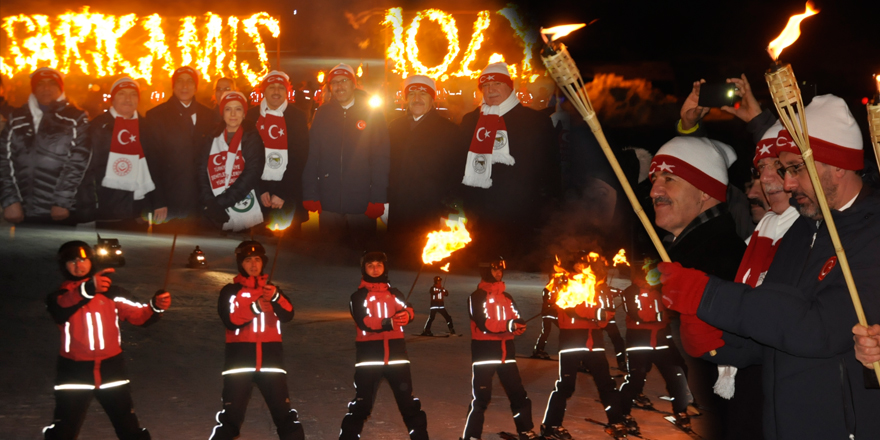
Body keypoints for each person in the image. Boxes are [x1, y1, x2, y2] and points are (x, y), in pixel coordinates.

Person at [659, 95, 880, 439]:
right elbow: (771, 333)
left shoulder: (872, 233)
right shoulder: (802, 230)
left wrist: (709, 295)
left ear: (837, 164)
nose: (788, 185)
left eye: (796, 169)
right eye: (783, 170)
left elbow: (818, 328)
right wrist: (718, 339)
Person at [649, 136, 746, 437]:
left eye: (669, 179)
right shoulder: (684, 252)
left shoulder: (719, 258)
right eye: (654, 179)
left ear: (705, 191)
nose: (655, 191)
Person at [43, 241, 171, 439]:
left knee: (128, 427)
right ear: (64, 266)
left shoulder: (112, 293)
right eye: (72, 261)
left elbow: (139, 315)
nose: (79, 265)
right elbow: (61, 310)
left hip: (111, 369)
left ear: (91, 261)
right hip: (74, 372)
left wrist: (155, 306)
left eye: (83, 260)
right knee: (64, 429)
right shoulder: (60, 296)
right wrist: (87, 289)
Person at [458, 62, 559, 265]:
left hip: (522, 215)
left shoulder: (535, 121)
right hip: (480, 216)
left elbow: (550, 169)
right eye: (485, 86)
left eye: (497, 83)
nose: (491, 89)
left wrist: (549, 209)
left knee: (518, 276)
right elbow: (458, 162)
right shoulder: (470, 121)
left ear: (510, 87)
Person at [209, 241, 304, 440]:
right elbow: (230, 320)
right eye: (248, 260)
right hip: (239, 364)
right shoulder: (230, 291)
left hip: (271, 364)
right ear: (240, 264)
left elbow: (288, 315)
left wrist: (276, 297)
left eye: (258, 260)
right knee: (230, 421)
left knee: (285, 418)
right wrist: (256, 307)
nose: (254, 264)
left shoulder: (273, 291)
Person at [340, 251, 428, 440]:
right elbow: (364, 321)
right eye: (370, 265)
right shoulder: (358, 296)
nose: (374, 269)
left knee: (409, 405)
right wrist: (388, 322)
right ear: (364, 269)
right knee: (362, 405)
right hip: (369, 360)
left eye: (378, 265)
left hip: (397, 359)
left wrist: (408, 315)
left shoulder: (394, 293)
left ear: (384, 267)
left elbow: (407, 307)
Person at [302, 64, 390, 247]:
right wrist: (310, 192)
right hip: (329, 202)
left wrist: (377, 198)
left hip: (362, 203)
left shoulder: (372, 114)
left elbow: (381, 158)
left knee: (363, 255)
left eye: (344, 81)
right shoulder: (322, 114)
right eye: (334, 82)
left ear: (353, 84)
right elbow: (311, 155)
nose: (339, 86)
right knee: (330, 256)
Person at [540, 256, 627, 439]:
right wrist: (593, 313)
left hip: (594, 342)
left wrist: (600, 316)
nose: (582, 268)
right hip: (571, 340)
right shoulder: (565, 285)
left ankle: (616, 420)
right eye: (579, 265)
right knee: (566, 386)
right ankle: (551, 425)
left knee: (606, 384)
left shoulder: (594, 286)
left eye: (585, 265)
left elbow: (607, 313)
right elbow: (567, 307)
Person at [461, 257, 540, 440]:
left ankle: (525, 430)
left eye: (500, 270)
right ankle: (471, 436)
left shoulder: (507, 297)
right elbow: (483, 323)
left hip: (507, 354)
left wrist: (518, 326)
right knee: (481, 398)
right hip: (485, 354)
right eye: (494, 269)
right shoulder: (476, 296)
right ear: (486, 271)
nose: (498, 273)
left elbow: (515, 317)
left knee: (518, 394)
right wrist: (509, 324)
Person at [0, 67, 91, 225]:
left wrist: (62, 202)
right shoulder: (17, 118)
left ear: (60, 88)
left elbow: (78, 162)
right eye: (40, 84)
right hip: (22, 211)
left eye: (52, 84)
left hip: (62, 212)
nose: (46, 88)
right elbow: (3, 160)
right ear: (34, 88)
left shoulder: (75, 118)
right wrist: (9, 201)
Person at [387, 75, 461, 259]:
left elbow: (456, 171)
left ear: (432, 98)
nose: (417, 98)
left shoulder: (449, 130)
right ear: (405, 99)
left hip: (431, 207)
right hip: (399, 206)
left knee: (425, 260)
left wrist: (448, 205)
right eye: (412, 93)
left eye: (423, 93)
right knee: (398, 256)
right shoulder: (394, 127)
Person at [617, 259, 691, 436]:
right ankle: (622, 412)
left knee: (678, 372)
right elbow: (637, 315)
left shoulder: (663, 289)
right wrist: (662, 315)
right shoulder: (631, 291)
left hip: (661, 340)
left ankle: (680, 409)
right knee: (636, 378)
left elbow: (675, 310)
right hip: (639, 341)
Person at [143, 66, 219, 232]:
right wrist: (158, 201)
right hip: (168, 204)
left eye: (190, 81)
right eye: (180, 81)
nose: (185, 86)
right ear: (173, 85)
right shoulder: (156, 116)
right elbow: (152, 162)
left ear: (196, 87)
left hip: (201, 203)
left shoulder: (209, 116)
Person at [86, 78, 163, 230]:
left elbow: (155, 167)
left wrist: (158, 202)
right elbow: (87, 169)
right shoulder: (97, 127)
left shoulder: (147, 128)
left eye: (133, 94)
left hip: (138, 211)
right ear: (112, 98)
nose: (128, 99)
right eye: (122, 93)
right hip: (105, 208)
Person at [244, 71, 310, 231]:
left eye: (281, 87)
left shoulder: (297, 117)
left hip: (288, 193)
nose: (276, 91)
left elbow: (299, 157)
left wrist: (282, 192)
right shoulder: (250, 116)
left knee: (289, 248)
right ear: (263, 91)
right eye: (271, 87)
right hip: (257, 193)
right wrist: (261, 189)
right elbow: (247, 156)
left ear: (287, 91)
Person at [198, 91, 265, 231]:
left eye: (238, 109)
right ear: (222, 113)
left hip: (245, 207)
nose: (233, 114)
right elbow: (202, 171)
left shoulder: (252, 137)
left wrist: (221, 203)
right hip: (213, 211)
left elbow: (252, 172)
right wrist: (210, 202)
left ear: (244, 114)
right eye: (228, 109)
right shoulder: (212, 138)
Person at [530, 283, 557, 360]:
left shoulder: (558, 288)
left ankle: (539, 349)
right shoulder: (548, 289)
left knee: (563, 330)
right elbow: (546, 301)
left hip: (555, 314)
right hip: (548, 314)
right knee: (546, 331)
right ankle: (539, 349)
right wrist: (552, 304)